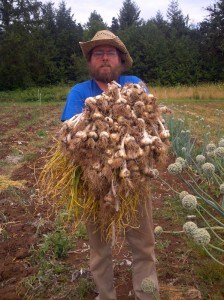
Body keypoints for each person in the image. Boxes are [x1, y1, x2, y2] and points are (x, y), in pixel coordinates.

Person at [61, 30, 159, 300]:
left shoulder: (135, 83)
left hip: (134, 180)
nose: (104, 58)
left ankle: (147, 295)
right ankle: (106, 296)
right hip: (94, 182)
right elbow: (71, 137)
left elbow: (146, 124)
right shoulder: (79, 92)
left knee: (144, 246)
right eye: (98, 53)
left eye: (110, 53)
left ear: (121, 60)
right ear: (90, 62)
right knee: (99, 249)